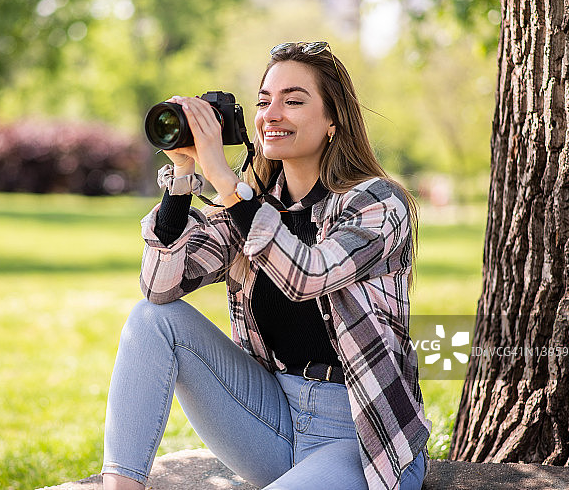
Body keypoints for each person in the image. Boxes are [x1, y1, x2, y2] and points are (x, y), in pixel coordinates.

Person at [101, 42, 431, 490]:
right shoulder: (253, 204)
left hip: (363, 438)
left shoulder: (376, 202)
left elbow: (307, 275)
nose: (271, 114)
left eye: (293, 101)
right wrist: (181, 176)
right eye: (263, 102)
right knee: (152, 319)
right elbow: (160, 287)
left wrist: (225, 182)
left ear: (333, 121)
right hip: (272, 421)